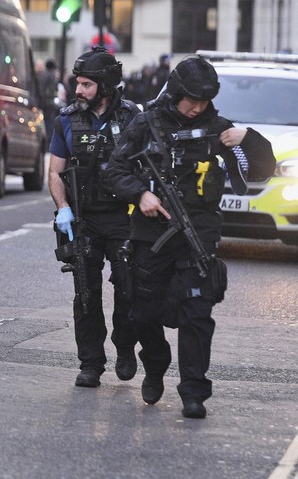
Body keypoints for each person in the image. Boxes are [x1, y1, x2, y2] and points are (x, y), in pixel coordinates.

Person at [103, 55, 275, 418]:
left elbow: (262, 168)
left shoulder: (219, 128)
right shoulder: (146, 124)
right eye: (191, 100)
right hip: (151, 235)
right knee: (142, 313)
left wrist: (249, 138)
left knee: (198, 314)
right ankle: (155, 362)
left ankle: (194, 392)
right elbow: (115, 169)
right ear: (177, 92)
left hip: (199, 236)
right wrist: (140, 194)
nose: (197, 108)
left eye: (204, 101)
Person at [49, 46, 141, 388]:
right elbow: (55, 172)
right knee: (85, 293)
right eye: (78, 83)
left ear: (104, 86)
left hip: (124, 217)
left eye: (86, 84)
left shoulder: (133, 118)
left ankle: (126, 347)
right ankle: (90, 362)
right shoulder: (65, 119)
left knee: (129, 289)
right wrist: (63, 209)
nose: (78, 90)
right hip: (83, 218)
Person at [37, 58, 61, 142]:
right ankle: (48, 141)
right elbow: (53, 91)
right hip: (49, 103)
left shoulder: (42, 75)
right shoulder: (52, 76)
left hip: (42, 102)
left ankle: (43, 141)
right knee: (49, 123)